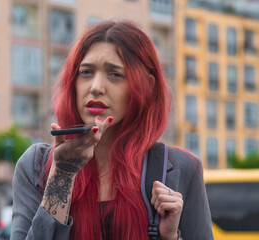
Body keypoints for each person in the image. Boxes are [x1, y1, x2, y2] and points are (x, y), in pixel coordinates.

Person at [11, 20, 213, 240]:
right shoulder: (35, 166)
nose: (96, 87)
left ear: (145, 86)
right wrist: (62, 175)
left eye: (115, 74)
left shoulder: (181, 169)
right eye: (86, 72)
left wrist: (170, 237)